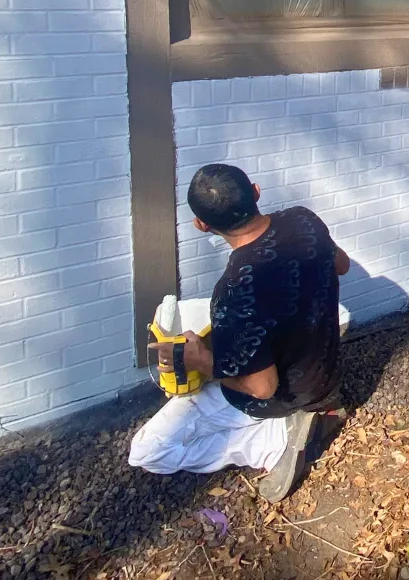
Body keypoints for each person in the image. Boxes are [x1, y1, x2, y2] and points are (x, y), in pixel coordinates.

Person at [129, 163, 350, 500]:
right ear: (256, 192)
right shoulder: (304, 219)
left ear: (201, 225)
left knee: (147, 451)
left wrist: (200, 359)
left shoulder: (235, 292)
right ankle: (305, 418)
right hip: (324, 374)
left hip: (285, 398)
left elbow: (262, 388)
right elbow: (341, 265)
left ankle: (272, 443)